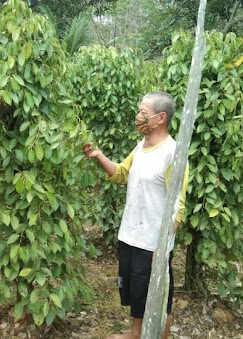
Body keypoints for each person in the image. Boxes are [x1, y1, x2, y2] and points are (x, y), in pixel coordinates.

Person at [82, 91, 189, 339]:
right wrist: (98, 156)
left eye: (143, 113)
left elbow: (178, 207)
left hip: (152, 242)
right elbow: (121, 173)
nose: (138, 117)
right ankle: (136, 333)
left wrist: (162, 247)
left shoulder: (173, 153)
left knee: (159, 295)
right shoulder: (142, 146)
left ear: (160, 118)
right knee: (136, 290)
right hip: (131, 234)